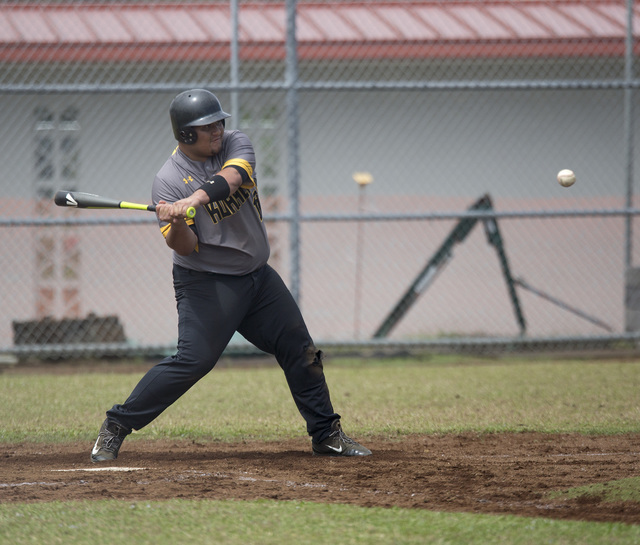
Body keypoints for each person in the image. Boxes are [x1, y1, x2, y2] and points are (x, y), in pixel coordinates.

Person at [90, 89, 371, 461]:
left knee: (301, 351)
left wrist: (193, 201)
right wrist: (175, 222)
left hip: (258, 277)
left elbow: (233, 179)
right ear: (186, 135)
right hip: (207, 284)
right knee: (194, 361)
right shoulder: (168, 181)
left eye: (219, 121)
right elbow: (185, 247)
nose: (219, 129)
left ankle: (326, 434)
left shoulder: (235, 143)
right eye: (209, 126)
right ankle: (116, 425)